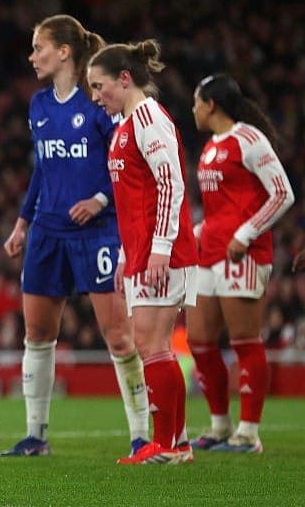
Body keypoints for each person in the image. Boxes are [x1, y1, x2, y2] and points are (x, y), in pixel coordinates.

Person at [0, 15, 149, 458]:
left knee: (117, 335)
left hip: (97, 232)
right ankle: (35, 435)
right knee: (38, 333)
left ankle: (141, 434)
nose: (32, 57)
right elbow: (41, 169)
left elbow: (125, 163)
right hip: (47, 232)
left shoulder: (97, 103)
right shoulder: (39, 105)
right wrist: (23, 223)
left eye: (38, 47)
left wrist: (102, 200)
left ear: (64, 51)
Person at [87, 40, 198, 464]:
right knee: (153, 345)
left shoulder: (149, 118)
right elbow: (132, 200)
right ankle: (177, 441)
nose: (96, 97)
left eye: (100, 86)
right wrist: (122, 257)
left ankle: (169, 445)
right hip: (141, 250)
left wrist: (160, 249)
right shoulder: (125, 125)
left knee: (153, 346)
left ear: (125, 78)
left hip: (161, 251)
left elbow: (172, 184)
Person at [186, 74, 294, 454]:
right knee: (199, 341)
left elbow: (283, 193)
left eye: (197, 101)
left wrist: (245, 234)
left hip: (243, 254)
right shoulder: (210, 147)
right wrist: (196, 232)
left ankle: (249, 434)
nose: (193, 108)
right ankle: (220, 427)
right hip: (208, 252)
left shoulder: (249, 140)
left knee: (245, 342)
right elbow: (220, 208)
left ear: (211, 104)